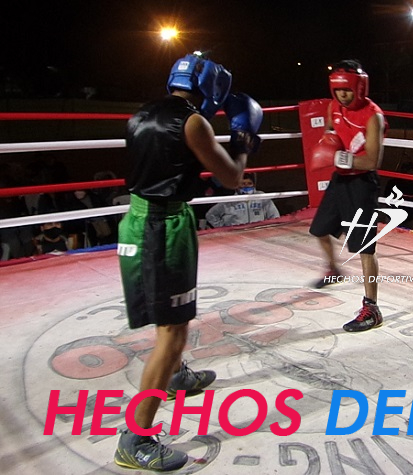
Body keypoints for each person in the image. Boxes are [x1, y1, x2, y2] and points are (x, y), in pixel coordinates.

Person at [115, 52, 262, 472]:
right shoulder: (193, 122)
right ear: (213, 88)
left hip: (139, 220)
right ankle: (136, 438)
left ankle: (176, 376)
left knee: (170, 317)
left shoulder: (142, 113)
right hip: (162, 228)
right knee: (173, 331)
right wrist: (243, 143)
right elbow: (231, 178)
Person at [308, 59, 388, 332]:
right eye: (338, 90)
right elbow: (330, 133)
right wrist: (328, 143)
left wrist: (339, 157)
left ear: (360, 87)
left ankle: (372, 308)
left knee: (365, 248)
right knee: (319, 229)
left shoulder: (373, 116)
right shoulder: (334, 107)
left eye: (347, 90)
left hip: (363, 184)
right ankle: (334, 269)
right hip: (340, 180)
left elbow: (373, 160)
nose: (342, 95)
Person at [204, 172, 280, 228]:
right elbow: (210, 215)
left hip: (258, 234)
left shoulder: (261, 197)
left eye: (249, 183)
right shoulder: (230, 200)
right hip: (237, 236)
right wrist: (224, 228)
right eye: (243, 184)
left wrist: (268, 229)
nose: (246, 186)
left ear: (254, 185)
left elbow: (274, 215)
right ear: (237, 185)